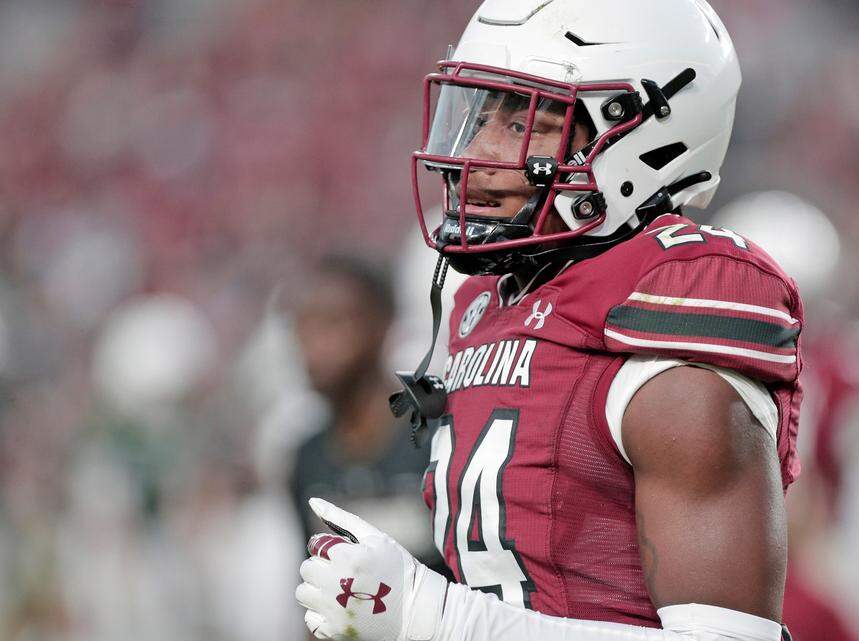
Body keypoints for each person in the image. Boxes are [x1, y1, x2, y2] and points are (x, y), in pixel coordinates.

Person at [296, 3, 804, 641]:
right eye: (482, 113)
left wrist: (440, 619)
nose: (477, 151)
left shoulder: (664, 335)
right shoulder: (493, 303)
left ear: (636, 133)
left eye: (524, 123)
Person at [287, 254, 441, 570]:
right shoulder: (307, 459)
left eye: (333, 322)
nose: (313, 343)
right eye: (304, 324)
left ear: (382, 326)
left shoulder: (437, 439)